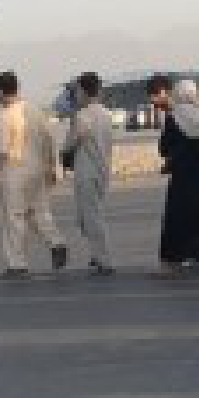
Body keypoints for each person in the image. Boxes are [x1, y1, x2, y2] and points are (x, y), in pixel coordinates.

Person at [0, 72, 67, 280]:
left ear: (1, 92)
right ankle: (56, 241)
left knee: (13, 218)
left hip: (14, 172)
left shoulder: (4, 115)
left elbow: (2, 149)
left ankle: (17, 263)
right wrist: (51, 166)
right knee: (39, 212)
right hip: (38, 171)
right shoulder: (34, 111)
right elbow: (50, 139)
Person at [158, 78, 199, 272]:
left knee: (178, 216)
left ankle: (173, 260)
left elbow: (164, 148)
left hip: (183, 174)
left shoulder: (172, 117)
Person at [66, 72, 116, 276]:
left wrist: (64, 150)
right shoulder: (105, 114)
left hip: (87, 171)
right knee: (88, 215)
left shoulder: (83, 115)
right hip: (102, 168)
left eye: (77, 90)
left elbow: (72, 142)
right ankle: (97, 254)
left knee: (91, 216)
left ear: (84, 91)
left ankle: (104, 259)